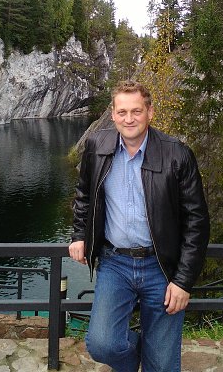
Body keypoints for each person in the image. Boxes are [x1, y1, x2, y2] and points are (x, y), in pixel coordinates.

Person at [69, 80, 209, 372]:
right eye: (122, 112)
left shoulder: (177, 154)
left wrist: (183, 281)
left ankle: (156, 353)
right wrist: (80, 234)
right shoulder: (97, 146)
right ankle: (141, 353)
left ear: (150, 112)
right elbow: (84, 195)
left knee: (163, 366)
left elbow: (197, 222)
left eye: (136, 111)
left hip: (162, 267)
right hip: (115, 263)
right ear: (113, 114)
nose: (129, 119)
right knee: (102, 344)